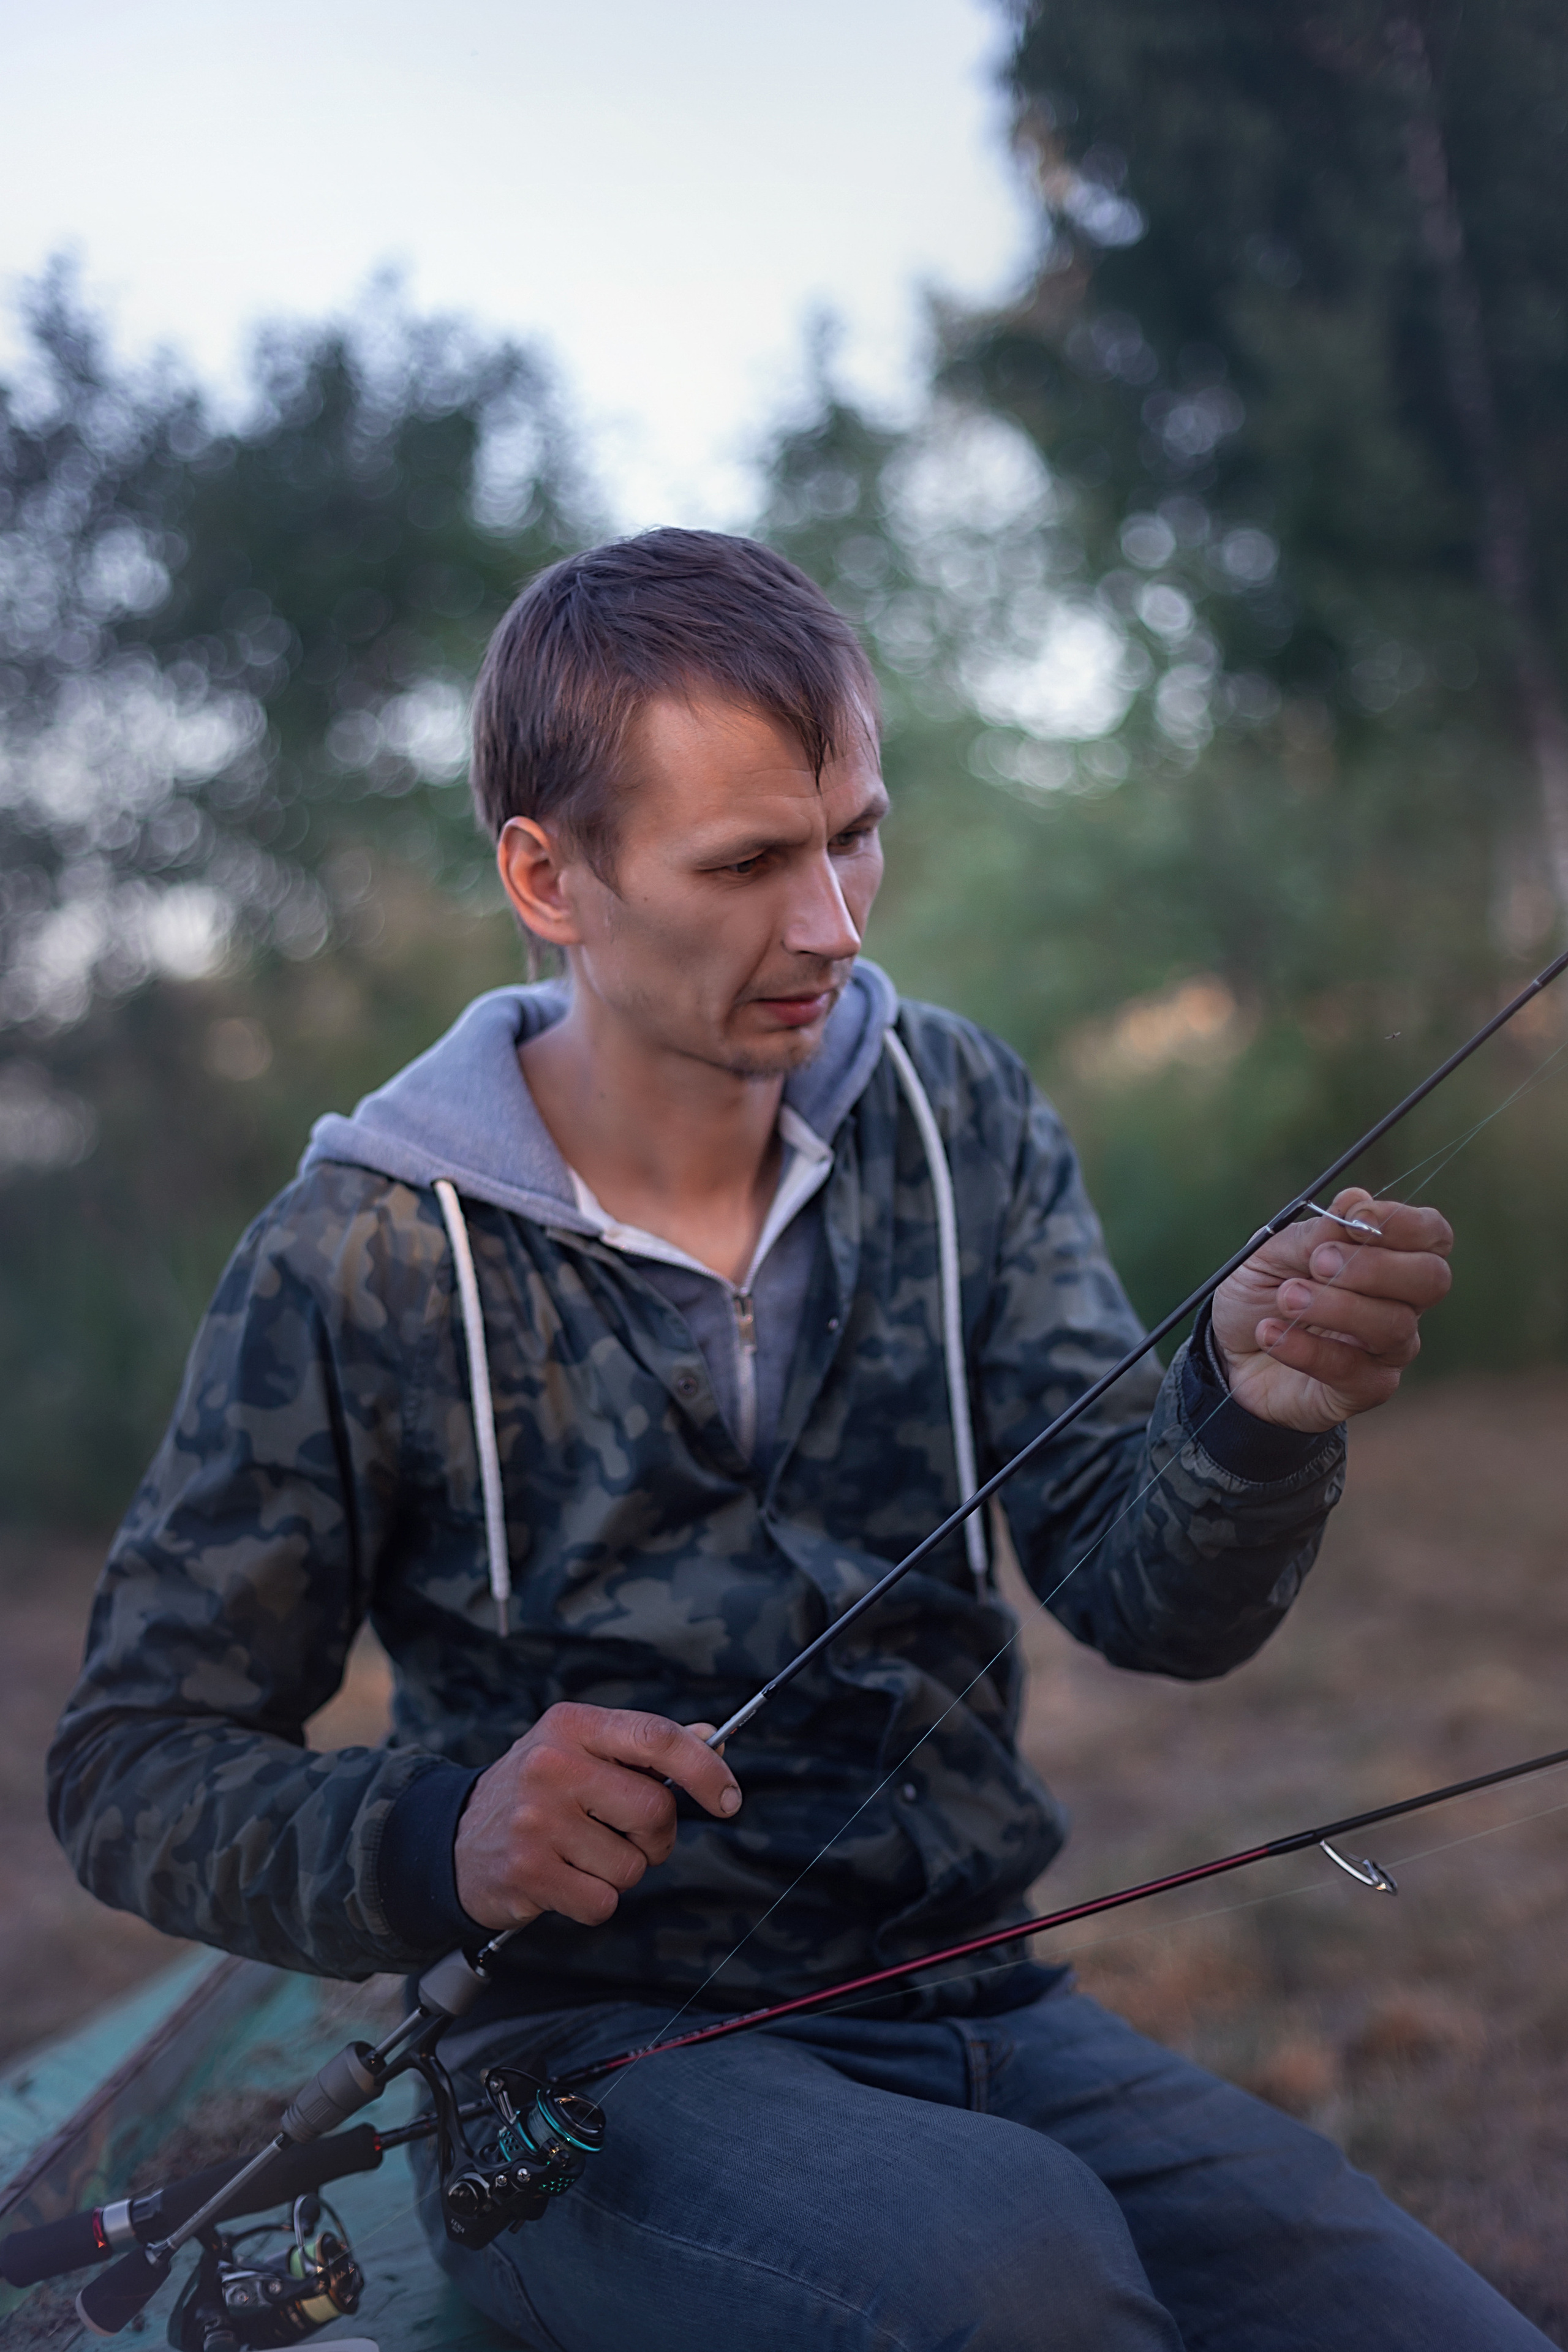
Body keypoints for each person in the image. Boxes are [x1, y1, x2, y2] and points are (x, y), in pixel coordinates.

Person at [49, 530, 1540, 2350]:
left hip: (986, 2002)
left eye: (854, 836)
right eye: (752, 861)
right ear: (548, 877)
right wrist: (444, 1832)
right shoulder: (362, 1259)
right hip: (594, 2080)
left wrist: (1249, 1420)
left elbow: (1151, 1600)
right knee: (1021, 2286)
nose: (837, 924)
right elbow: (129, 1765)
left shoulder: (960, 1113)